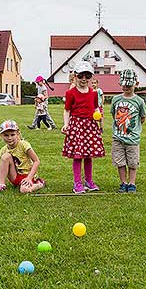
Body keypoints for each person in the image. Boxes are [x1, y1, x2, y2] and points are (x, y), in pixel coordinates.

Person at [61, 61, 105, 194]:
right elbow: (67, 110)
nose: (84, 79)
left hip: (90, 126)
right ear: (75, 76)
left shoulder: (93, 93)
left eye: (87, 76)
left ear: (91, 77)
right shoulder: (71, 93)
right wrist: (66, 124)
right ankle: (77, 183)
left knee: (88, 155)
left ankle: (89, 181)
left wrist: (98, 117)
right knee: (78, 156)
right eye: (81, 76)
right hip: (77, 126)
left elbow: (96, 108)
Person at [110, 69, 146, 193]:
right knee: (120, 162)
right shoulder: (116, 99)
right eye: (124, 85)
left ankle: (132, 184)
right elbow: (113, 114)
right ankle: (123, 183)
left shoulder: (139, 101)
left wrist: (133, 129)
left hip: (132, 139)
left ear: (136, 84)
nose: (126, 87)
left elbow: (142, 117)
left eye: (129, 85)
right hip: (118, 138)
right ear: (120, 84)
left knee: (132, 162)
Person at [0, 120, 46, 193]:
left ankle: (39, 183)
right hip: (15, 177)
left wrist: (29, 178)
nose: (9, 138)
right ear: (1, 136)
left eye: (12, 134)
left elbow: (36, 161)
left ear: (17, 133)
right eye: (6, 135)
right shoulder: (3, 150)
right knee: (5, 156)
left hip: (28, 176)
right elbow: (4, 166)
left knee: (24, 190)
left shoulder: (24, 145)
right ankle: (2, 185)